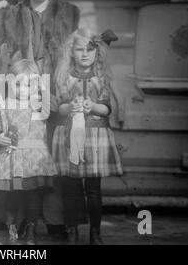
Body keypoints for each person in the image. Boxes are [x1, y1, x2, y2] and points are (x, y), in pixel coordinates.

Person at [0, 0, 80, 236]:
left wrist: (61, 93)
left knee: (52, 158)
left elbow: (72, 56)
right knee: (22, 157)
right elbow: (4, 57)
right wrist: (5, 95)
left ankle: (56, 221)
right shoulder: (11, 14)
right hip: (21, 95)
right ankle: (22, 221)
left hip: (54, 94)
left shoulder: (68, 13)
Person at [52, 28, 123, 245]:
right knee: (71, 190)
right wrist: (70, 108)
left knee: (93, 189)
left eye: (90, 50)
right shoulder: (64, 77)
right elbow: (59, 108)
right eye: (79, 50)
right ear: (71, 52)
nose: (85, 54)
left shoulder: (101, 77)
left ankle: (95, 232)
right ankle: (72, 231)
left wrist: (93, 106)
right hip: (68, 137)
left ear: (97, 52)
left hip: (95, 137)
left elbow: (107, 109)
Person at [0, 59, 57, 245]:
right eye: (18, 84)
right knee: (13, 196)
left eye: (28, 84)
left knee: (33, 196)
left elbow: (55, 107)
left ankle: (31, 228)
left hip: (35, 158)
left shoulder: (40, 104)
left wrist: (41, 87)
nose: (23, 89)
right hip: (13, 157)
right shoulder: (4, 103)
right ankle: (12, 228)